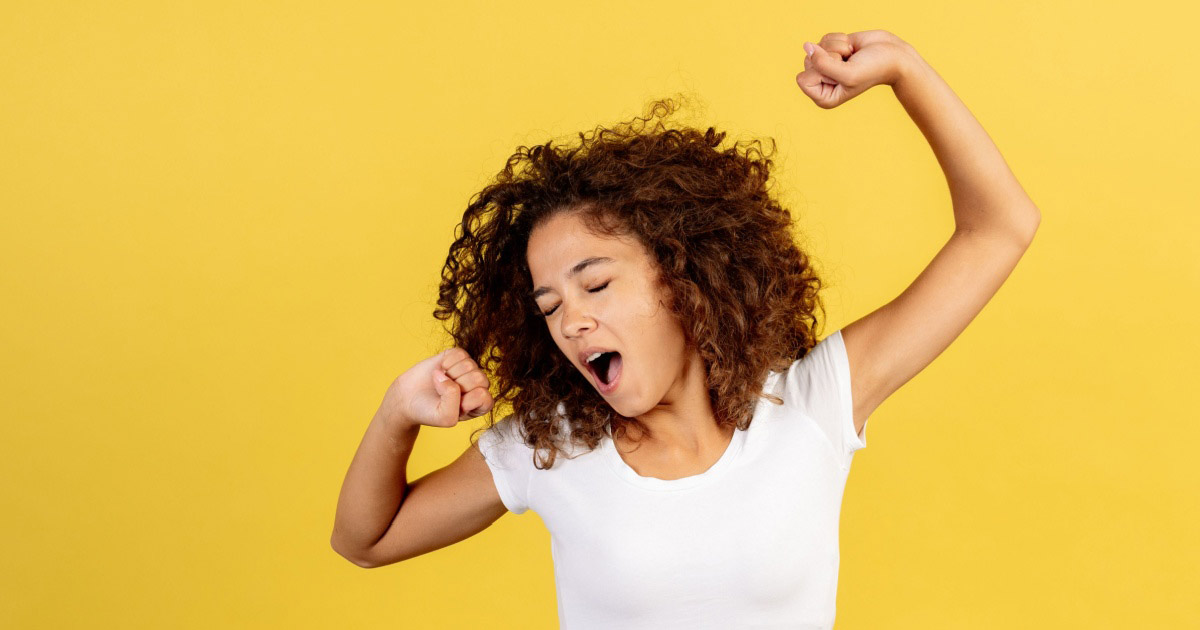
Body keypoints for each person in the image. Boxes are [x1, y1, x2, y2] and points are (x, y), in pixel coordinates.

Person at [331, 29, 1040, 629]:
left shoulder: (811, 405)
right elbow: (367, 540)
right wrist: (399, 413)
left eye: (596, 284)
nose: (572, 321)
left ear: (683, 277)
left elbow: (1000, 228)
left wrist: (903, 70)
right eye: (548, 307)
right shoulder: (550, 447)